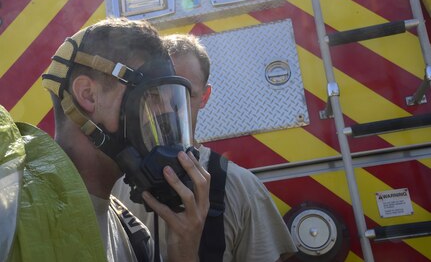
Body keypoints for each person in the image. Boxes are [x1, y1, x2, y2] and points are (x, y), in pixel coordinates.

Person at [2, 18, 210, 262]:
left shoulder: (136, 237)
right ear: (88, 95)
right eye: (152, 98)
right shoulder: (10, 207)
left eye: (169, 102)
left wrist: (183, 250)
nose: (162, 118)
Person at [112, 34, 297, 261]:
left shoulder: (242, 187)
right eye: (155, 94)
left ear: (205, 97)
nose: (169, 109)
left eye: (185, 94)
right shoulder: (112, 185)